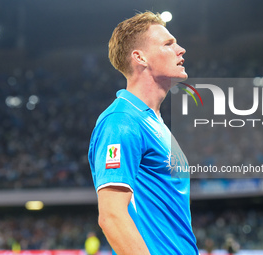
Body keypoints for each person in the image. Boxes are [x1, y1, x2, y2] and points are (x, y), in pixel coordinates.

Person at [88, 11, 199, 255]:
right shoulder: (121, 121)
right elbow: (112, 217)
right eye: (168, 44)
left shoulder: (152, 122)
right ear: (140, 58)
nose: (181, 50)